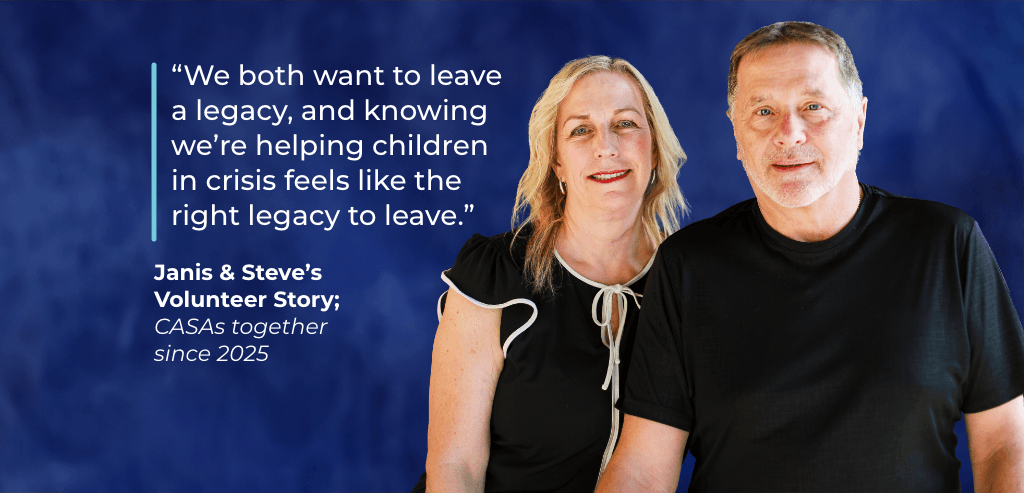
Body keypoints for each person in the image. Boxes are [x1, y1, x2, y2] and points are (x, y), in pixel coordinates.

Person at [597, 21, 1024, 492]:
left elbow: (1007, 439)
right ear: (736, 132)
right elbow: (642, 465)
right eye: (763, 111)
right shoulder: (687, 266)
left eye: (813, 107)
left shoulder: (947, 245)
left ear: (858, 122)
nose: (789, 133)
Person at [411, 56, 688, 492]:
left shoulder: (686, 282)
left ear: (653, 147)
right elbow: (455, 468)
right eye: (581, 130)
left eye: (626, 124)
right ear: (556, 162)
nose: (606, 146)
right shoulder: (495, 277)